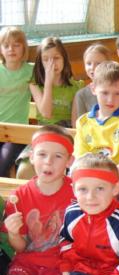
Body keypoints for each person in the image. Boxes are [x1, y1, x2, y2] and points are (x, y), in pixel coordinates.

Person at [0, 127, 74, 275]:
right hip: (27, 262)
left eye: (57, 156)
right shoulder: (19, 196)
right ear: (31, 157)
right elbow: (20, 248)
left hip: (60, 264)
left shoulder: (78, 192)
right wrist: (13, 232)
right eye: (42, 154)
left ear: (69, 161)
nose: (48, 162)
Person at [18, 37, 84, 180]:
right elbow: (46, 114)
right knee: (24, 170)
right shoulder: (35, 84)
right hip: (44, 132)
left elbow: (75, 124)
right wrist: (48, 81)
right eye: (46, 59)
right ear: (40, 62)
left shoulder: (76, 86)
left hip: (66, 133)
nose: (51, 63)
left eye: (56, 58)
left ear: (64, 59)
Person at [74, 61, 119, 201]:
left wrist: (104, 179)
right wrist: (93, 181)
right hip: (89, 179)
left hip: (118, 179)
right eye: (104, 93)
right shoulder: (83, 122)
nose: (111, 99)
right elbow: (80, 160)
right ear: (93, 88)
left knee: (105, 197)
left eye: (117, 93)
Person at [72, 43, 119, 126]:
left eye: (98, 63)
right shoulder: (81, 94)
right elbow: (80, 124)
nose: (92, 67)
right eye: (89, 63)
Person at [0, 26, 33, 177]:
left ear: (24, 48)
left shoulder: (30, 71)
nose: (11, 49)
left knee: (2, 164)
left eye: (16, 45)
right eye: (6, 45)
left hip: (17, 133)